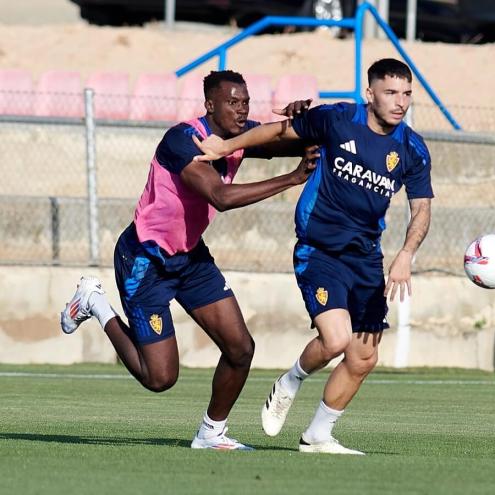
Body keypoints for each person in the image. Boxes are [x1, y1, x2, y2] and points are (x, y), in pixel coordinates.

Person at [59, 70, 318, 450]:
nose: (241, 109)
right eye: (232, 102)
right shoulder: (182, 140)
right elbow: (221, 198)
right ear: (210, 105)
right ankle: (94, 303)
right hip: (146, 259)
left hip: (190, 258)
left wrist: (302, 123)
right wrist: (292, 179)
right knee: (160, 378)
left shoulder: (240, 137)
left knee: (240, 348)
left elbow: (292, 140)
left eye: (245, 102)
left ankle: (211, 434)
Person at [193, 58, 433, 455]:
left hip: (366, 258)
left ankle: (318, 435)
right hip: (319, 250)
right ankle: (290, 381)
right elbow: (279, 130)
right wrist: (227, 145)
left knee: (363, 357)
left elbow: (421, 208)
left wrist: (406, 253)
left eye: (406, 94)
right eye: (390, 93)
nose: (400, 102)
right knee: (336, 339)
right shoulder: (337, 119)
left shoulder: (412, 148)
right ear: (369, 94)